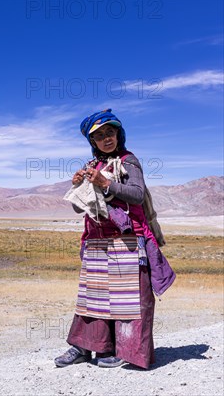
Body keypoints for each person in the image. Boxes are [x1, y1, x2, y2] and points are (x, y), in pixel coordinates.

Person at [55, 109, 174, 369]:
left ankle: (127, 351)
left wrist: (106, 183)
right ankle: (85, 347)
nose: (106, 138)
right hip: (98, 241)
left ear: (119, 134)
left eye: (110, 132)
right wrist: (79, 186)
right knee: (93, 297)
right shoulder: (92, 166)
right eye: (99, 136)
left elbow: (137, 194)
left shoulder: (128, 161)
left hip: (127, 241)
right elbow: (80, 207)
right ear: (92, 142)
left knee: (129, 300)